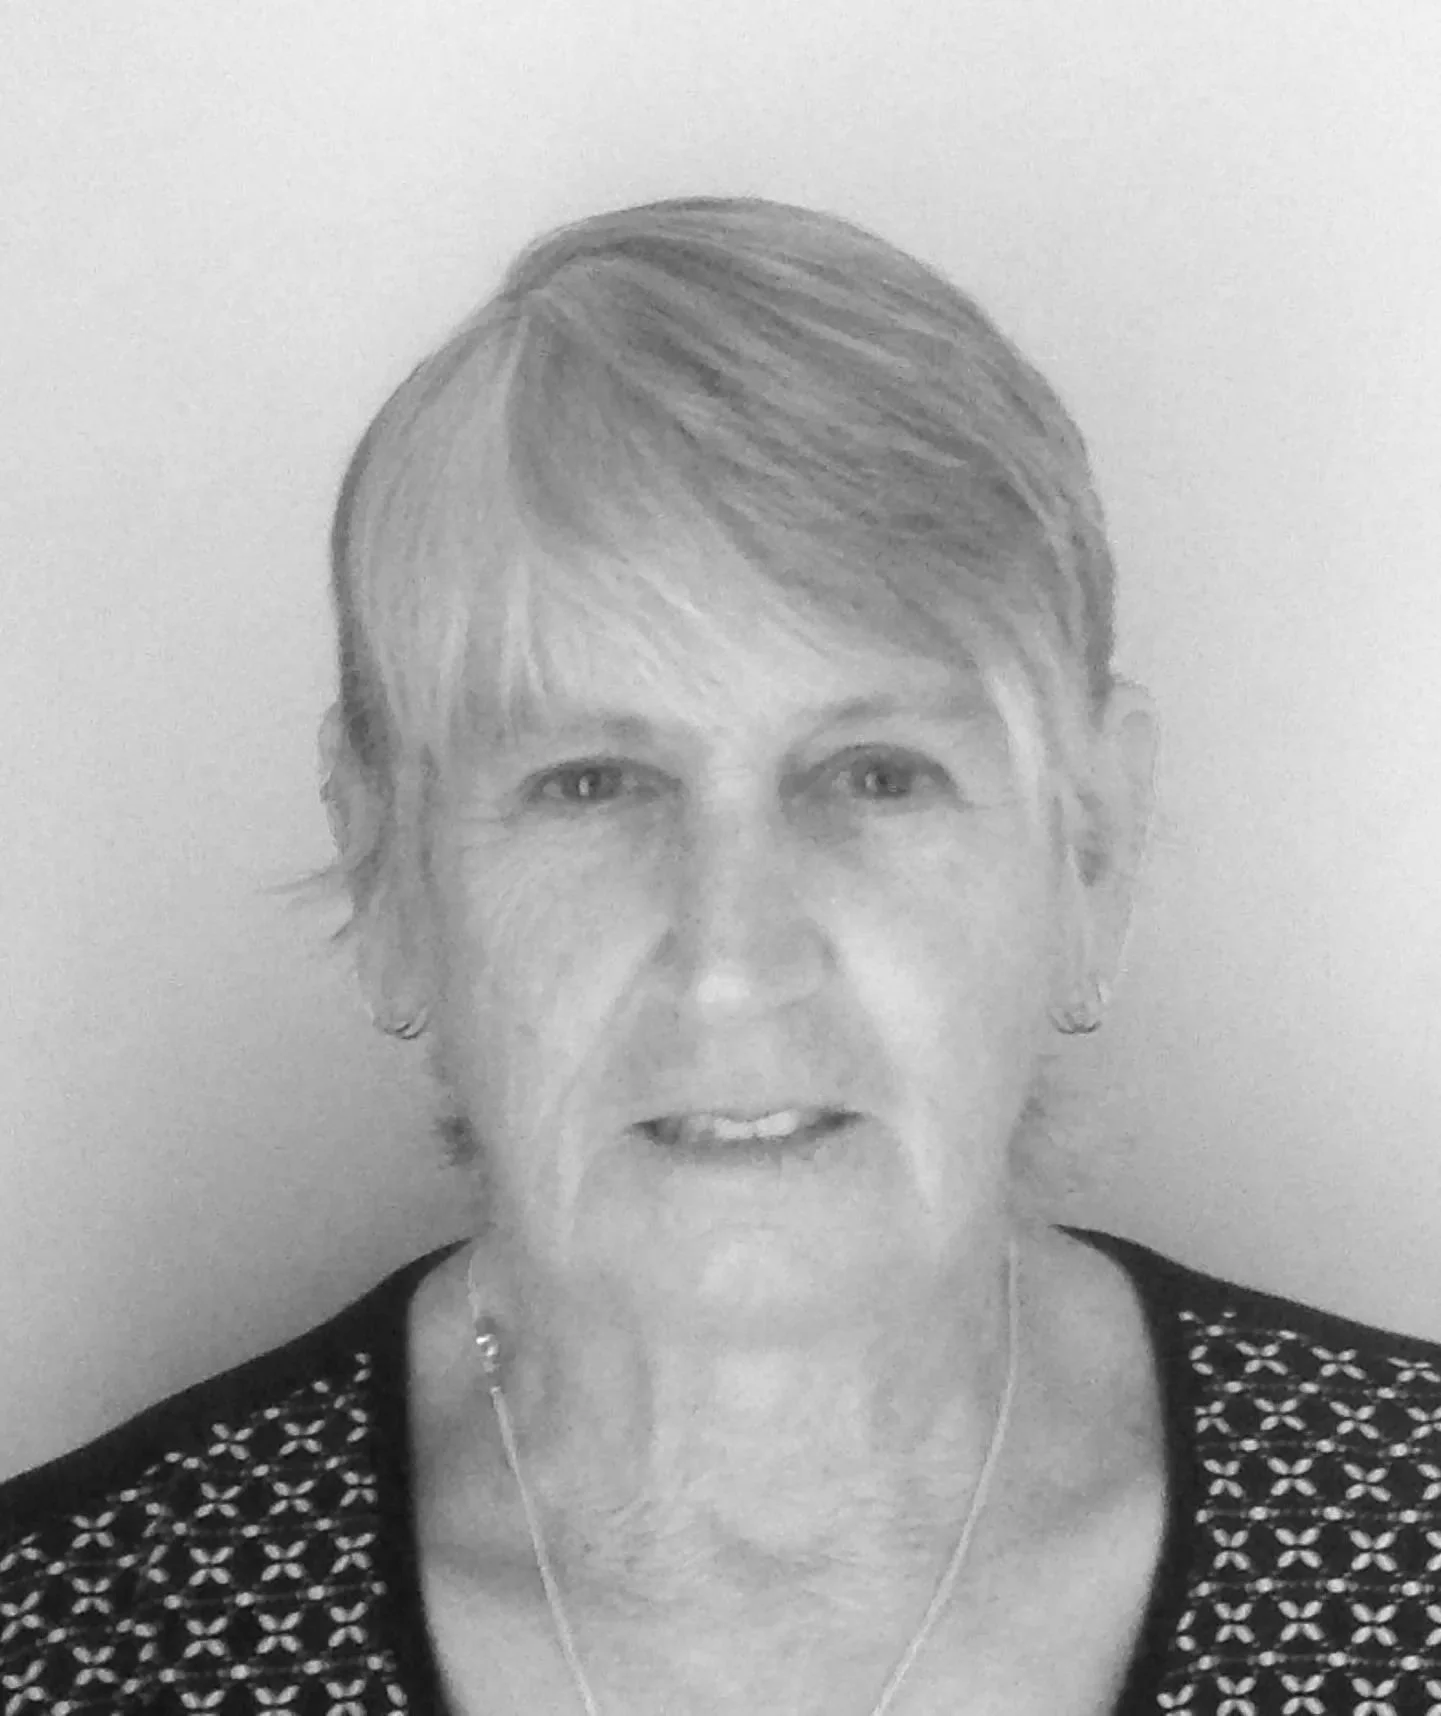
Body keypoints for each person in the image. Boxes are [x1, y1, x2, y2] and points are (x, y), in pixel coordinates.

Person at [3, 196, 1440, 1716]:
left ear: (1093, 849)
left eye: (877, 773)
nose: (732, 962)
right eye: (590, 783)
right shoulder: (74, 1647)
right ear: (392, 874)